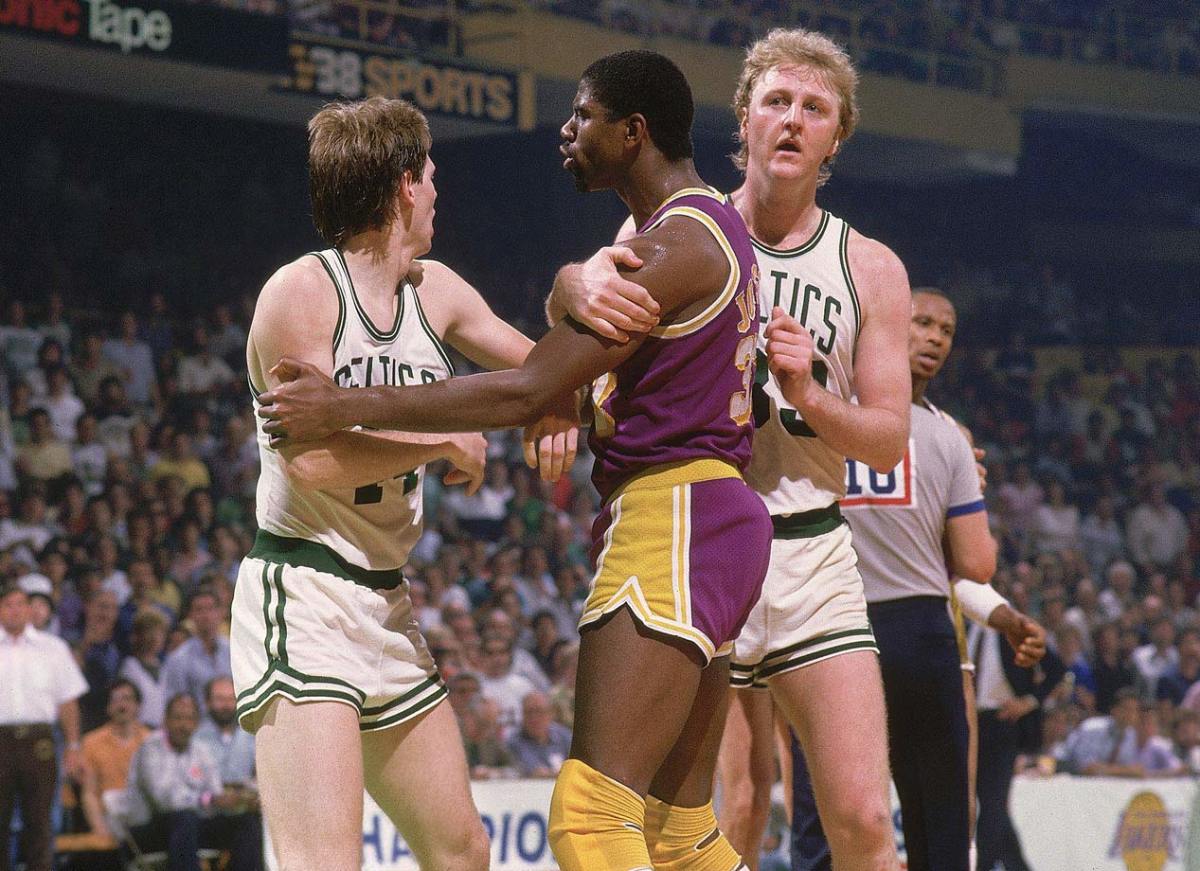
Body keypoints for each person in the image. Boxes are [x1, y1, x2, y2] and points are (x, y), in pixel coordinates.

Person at [258, 50, 775, 870]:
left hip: (677, 510)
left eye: (583, 116)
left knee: (590, 816)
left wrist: (349, 403)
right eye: (430, 174)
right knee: (677, 835)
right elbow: (550, 371)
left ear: (633, 132)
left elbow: (529, 382)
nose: (566, 132)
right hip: (705, 517)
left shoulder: (675, 241)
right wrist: (565, 288)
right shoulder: (666, 234)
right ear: (401, 188)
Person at [550, 29, 912, 871]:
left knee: (860, 814)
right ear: (742, 119)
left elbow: (890, 442)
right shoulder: (689, 226)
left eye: (813, 109)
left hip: (810, 546)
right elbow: (587, 302)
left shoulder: (870, 268)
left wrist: (814, 394)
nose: (792, 121)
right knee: (724, 809)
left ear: (836, 139)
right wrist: (569, 282)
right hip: (701, 540)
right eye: (776, 102)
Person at [226, 94, 596, 871]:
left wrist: (566, 378)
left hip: (387, 604)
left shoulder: (438, 291)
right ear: (401, 184)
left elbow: (541, 366)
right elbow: (315, 462)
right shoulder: (302, 292)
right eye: (428, 174)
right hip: (304, 591)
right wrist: (437, 441)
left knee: (462, 850)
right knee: (324, 861)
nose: (437, 190)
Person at [784, 290, 1044, 871]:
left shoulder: (815, 410)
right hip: (921, 632)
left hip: (825, 626)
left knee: (823, 810)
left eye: (945, 330)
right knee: (942, 816)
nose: (934, 338)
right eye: (923, 323)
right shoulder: (949, 435)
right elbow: (976, 564)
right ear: (893, 326)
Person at [0, 581, 88, 871]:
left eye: (20, 604)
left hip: (39, 742)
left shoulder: (53, 648)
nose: (14, 610)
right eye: (8, 604)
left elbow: (68, 702)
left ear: (29, 609)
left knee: (39, 820)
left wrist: (74, 745)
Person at [125, 693, 261, 871]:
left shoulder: (200, 750)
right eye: (178, 718)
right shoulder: (151, 748)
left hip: (191, 828)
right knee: (184, 818)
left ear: (196, 723)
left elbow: (215, 792)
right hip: (149, 828)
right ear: (165, 720)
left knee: (246, 822)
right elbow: (164, 801)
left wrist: (236, 801)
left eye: (190, 719)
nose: (183, 725)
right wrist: (208, 800)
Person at [78, 679, 151, 846]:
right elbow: (89, 793)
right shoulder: (91, 743)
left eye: (127, 699)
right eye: (115, 699)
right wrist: (99, 829)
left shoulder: (151, 741)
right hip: (109, 817)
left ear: (138, 705)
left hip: (144, 817)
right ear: (107, 707)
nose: (122, 705)